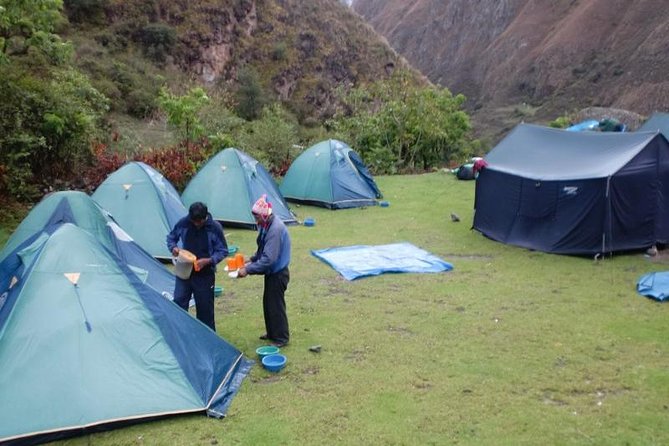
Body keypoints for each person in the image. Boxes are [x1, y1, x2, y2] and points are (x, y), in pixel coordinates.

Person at [237, 195, 291, 347]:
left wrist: (247, 270)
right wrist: (252, 259)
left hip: (278, 274)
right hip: (272, 273)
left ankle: (281, 338)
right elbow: (263, 250)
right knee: (268, 304)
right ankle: (272, 333)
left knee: (276, 305)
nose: (256, 221)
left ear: (263, 215)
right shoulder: (267, 224)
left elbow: (268, 259)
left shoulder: (275, 229)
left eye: (257, 218)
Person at [166, 202, 228, 331]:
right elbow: (171, 237)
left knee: (205, 309)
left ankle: (208, 338)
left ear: (205, 217)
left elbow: (223, 250)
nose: (196, 224)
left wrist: (209, 260)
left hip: (205, 274)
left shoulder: (214, 228)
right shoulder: (184, 223)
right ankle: (180, 333)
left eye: (199, 221)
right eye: (194, 221)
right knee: (179, 302)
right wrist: (174, 248)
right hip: (184, 271)